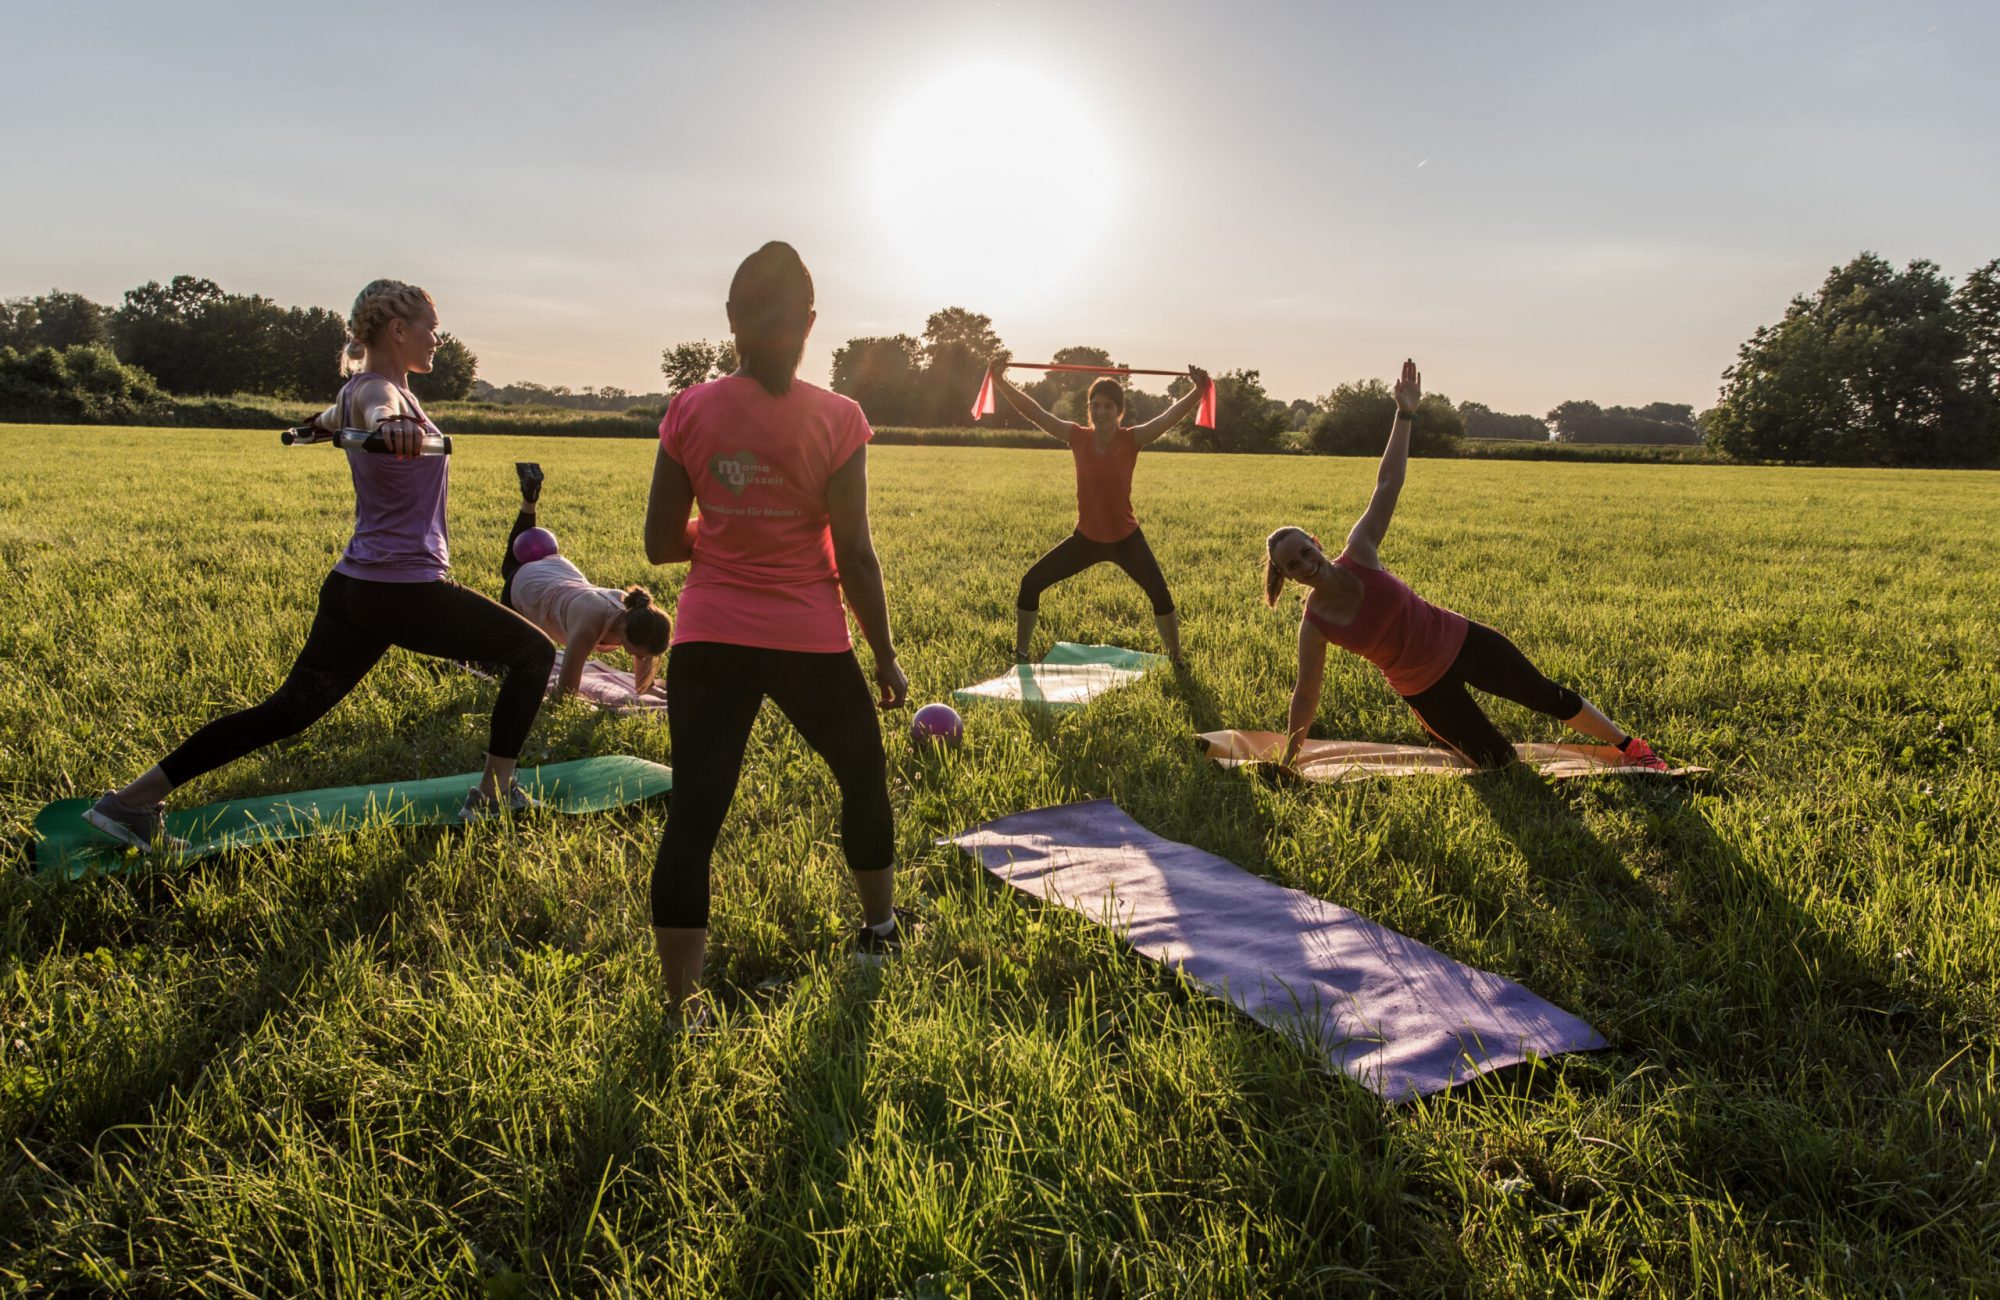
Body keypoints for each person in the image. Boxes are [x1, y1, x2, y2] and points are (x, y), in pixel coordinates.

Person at [82, 279, 557, 851]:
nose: (438, 338)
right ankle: (493, 793)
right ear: (398, 330)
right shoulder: (381, 393)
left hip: (355, 588)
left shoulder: (364, 390)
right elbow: (375, 412)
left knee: (287, 711)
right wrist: (390, 430)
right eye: (430, 328)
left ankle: (129, 802)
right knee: (533, 653)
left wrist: (311, 430)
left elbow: (333, 416)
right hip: (403, 589)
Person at [643, 241, 908, 1016]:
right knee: (860, 778)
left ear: (732, 320)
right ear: (811, 323)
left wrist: (723, 533)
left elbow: (661, 544)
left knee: (695, 815)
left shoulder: (690, 409)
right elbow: (855, 555)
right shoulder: (839, 419)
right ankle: (881, 929)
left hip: (709, 639)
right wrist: (887, 658)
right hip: (811, 642)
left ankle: (682, 1006)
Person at [1264, 359, 1667, 773]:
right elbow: (1306, 695)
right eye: (1293, 565)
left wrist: (1404, 414)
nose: (1305, 564)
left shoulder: (1361, 550)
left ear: (1316, 543)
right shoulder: (1315, 625)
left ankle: (1630, 745)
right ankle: (1461, 738)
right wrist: (1290, 761)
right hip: (1424, 689)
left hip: (1464, 642)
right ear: (1288, 575)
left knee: (1546, 696)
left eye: (1305, 552)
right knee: (1503, 766)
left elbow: (1388, 482)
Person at [985, 354, 1210, 664]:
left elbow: (1167, 419)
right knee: (1031, 583)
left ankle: (1177, 660)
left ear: (1119, 412)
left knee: (1161, 596)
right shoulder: (1078, 437)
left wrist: (1197, 392)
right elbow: (1034, 412)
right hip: (1086, 540)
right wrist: (1000, 381)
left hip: (1126, 539)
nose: (1100, 410)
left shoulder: (1132, 439)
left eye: (1107, 406)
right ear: (1088, 409)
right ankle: (1021, 653)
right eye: (1095, 404)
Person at [498, 463, 669, 697]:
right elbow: (565, 693)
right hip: (529, 587)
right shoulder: (588, 627)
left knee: (512, 562)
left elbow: (643, 680)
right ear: (626, 632)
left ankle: (529, 499)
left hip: (560, 573)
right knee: (510, 573)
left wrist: (650, 689)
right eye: (639, 654)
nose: (641, 658)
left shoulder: (638, 617)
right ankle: (529, 499)